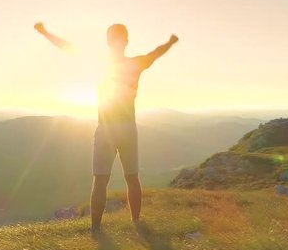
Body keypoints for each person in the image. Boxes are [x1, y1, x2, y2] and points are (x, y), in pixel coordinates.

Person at [34, 22, 179, 235]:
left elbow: (67, 47)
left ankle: (96, 229)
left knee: (100, 180)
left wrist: (46, 33)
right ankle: (136, 222)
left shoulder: (98, 63)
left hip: (106, 128)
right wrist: (170, 42)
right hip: (128, 128)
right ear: (127, 40)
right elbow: (156, 53)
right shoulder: (136, 63)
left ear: (107, 41)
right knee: (132, 177)